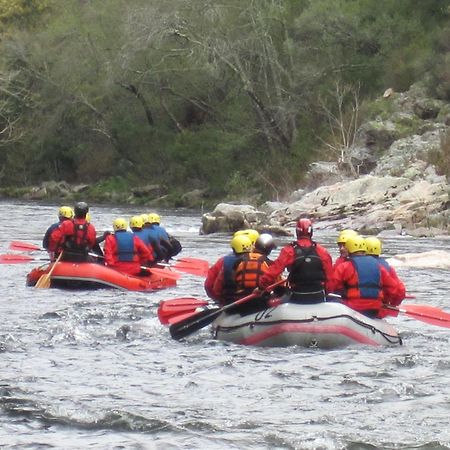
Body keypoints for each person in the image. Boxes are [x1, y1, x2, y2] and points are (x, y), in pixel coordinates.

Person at [257, 218, 333, 303]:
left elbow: (273, 272)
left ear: (297, 232)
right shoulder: (322, 251)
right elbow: (330, 279)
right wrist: (327, 292)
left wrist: (261, 287)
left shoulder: (289, 250)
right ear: (311, 232)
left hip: (297, 295)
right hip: (318, 295)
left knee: (273, 302)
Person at [331, 235, 405, 318]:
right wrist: (391, 303)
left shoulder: (344, 266)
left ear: (348, 250)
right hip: (374, 309)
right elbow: (394, 289)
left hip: (352, 307)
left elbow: (331, 286)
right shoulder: (378, 266)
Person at [365, 236, 406, 308]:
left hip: (363, 304)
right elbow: (400, 291)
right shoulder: (388, 267)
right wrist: (393, 304)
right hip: (381, 304)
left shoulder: (358, 264)